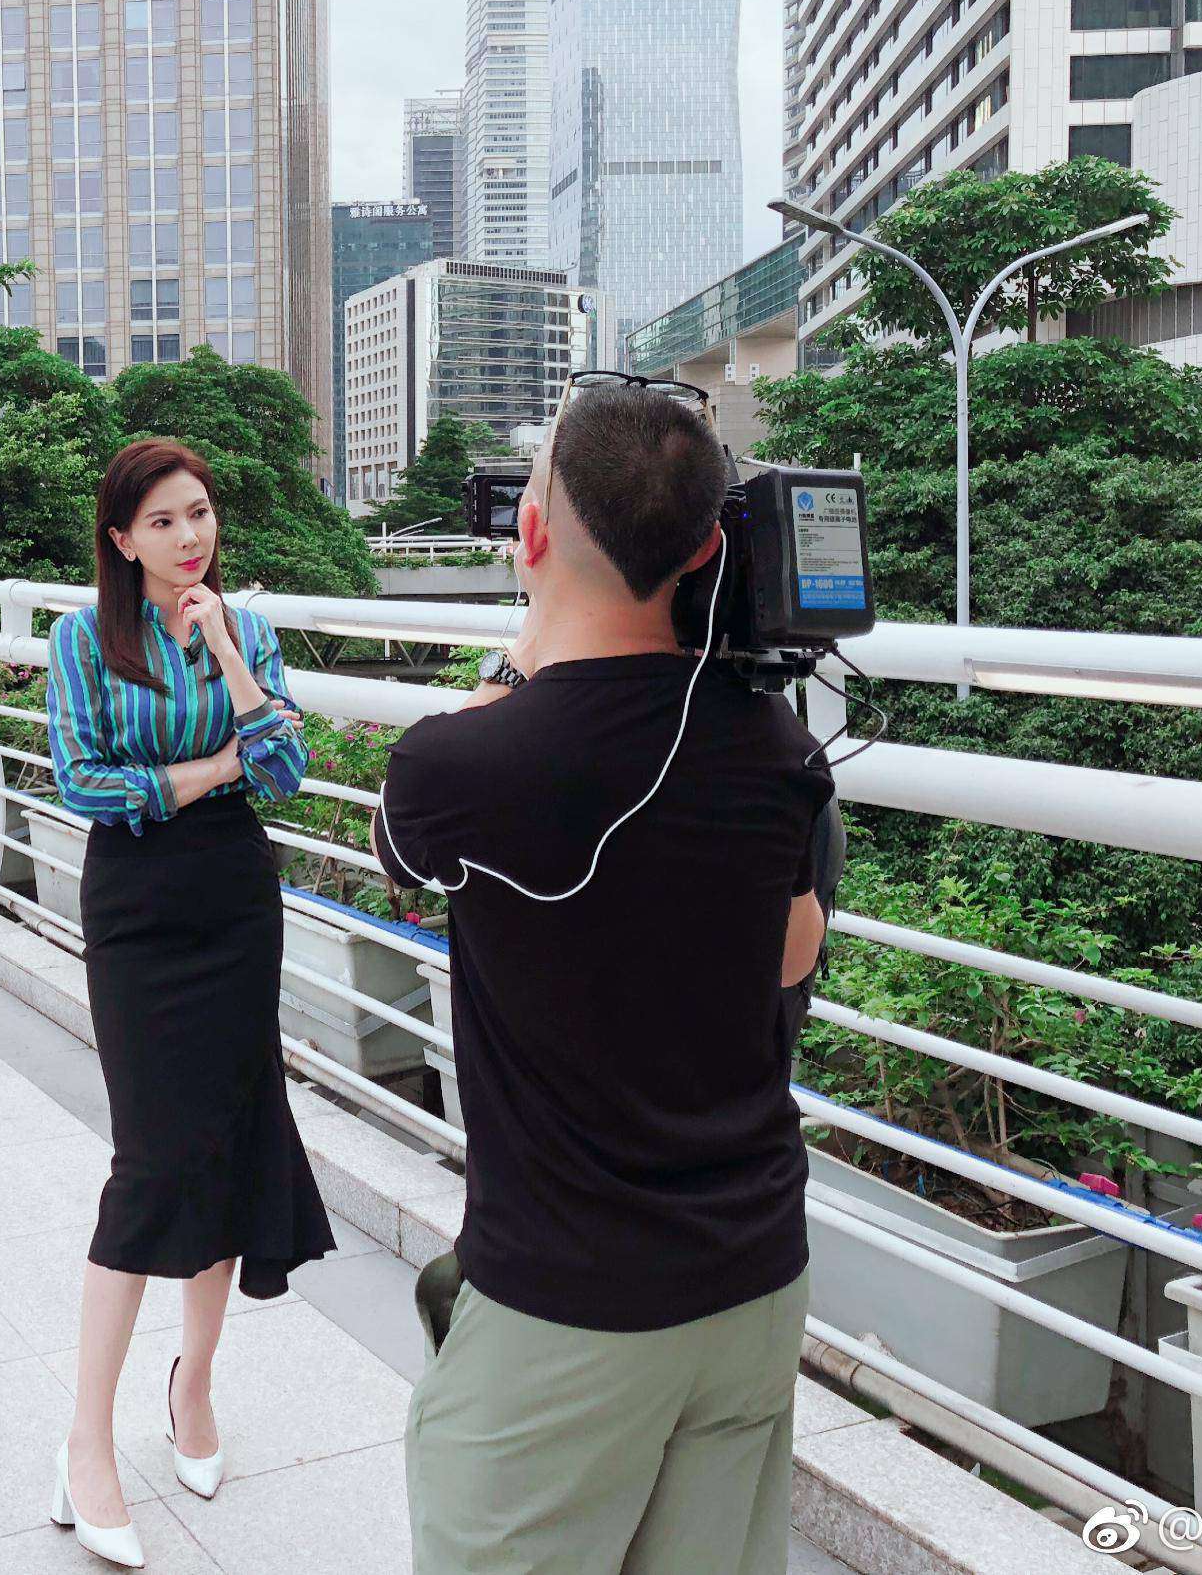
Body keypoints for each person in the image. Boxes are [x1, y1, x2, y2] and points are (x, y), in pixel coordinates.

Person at [372, 381, 833, 1575]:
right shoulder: (776, 744)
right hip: (749, 1283)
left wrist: (519, 667)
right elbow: (794, 953)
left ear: (529, 538)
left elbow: (406, 855)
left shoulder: (457, 763)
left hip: (566, 1309)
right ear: (710, 545)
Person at [44, 437, 336, 1570]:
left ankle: (194, 1387)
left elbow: (288, 772)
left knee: (225, 1133)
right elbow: (85, 781)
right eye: (162, 520)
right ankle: (84, 1441)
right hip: (137, 908)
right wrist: (210, 765)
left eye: (200, 514)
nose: (189, 536)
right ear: (122, 538)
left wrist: (229, 656)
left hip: (233, 896)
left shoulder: (244, 629)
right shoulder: (82, 638)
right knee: (151, 1159)